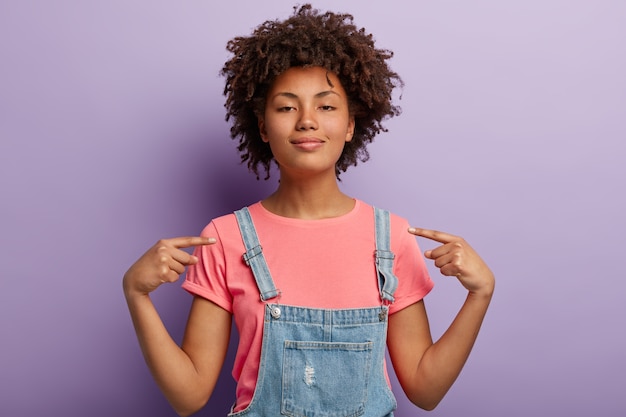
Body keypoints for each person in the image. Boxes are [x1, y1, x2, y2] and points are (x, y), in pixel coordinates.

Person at [123, 4, 495, 417]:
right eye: (286, 107)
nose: (306, 121)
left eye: (327, 106)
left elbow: (426, 391)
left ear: (351, 124)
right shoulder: (224, 238)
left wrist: (480, 294)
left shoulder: (392, 239)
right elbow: (188, 396)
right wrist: (137, 295)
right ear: (262, 126)